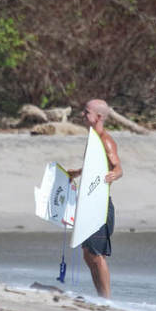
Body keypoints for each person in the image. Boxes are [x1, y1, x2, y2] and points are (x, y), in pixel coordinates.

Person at [67, 98, 124, 298]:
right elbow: (96, 167)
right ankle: (101, 297)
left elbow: (117, 167)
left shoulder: (105, 140)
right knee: (88, 253)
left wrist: (114, 174)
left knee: (97, 255)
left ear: (98, 117)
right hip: (91, 205)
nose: (83, 115)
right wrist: (78, 172)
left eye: (86, 112)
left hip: (100, 206)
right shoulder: (93, 138)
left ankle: (107, 300)